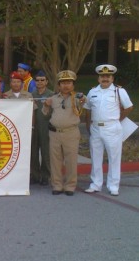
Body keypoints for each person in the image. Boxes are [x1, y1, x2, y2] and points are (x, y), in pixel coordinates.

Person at [83, 64, 134, 196]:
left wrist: (118, 118)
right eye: (102, 76)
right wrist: (88, 125)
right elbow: (87, 108)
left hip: (112, 127)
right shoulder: (92, 91)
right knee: (96, 157)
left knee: (114, 157)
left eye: (108, 76)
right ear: (98, 78)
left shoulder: (119, 91)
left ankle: (113, 186)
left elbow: (129, 107)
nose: (105, 78)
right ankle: (95, 184)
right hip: (95, 128)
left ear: (112, 78)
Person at [42, 70, 86, 196]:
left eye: (69, 82)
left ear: (73, 85)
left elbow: (84, 101)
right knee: (55, 160)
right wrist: (46, 104)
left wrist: (82, 98)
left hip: (70, 133)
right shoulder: (54, 98)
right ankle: (57, 185)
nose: (66, 85)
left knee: (71, 160)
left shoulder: (77, 97)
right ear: (59, 85)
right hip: (55, 134)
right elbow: (45, 113)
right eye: (63, 83)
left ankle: (70, 186)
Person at [30, 71, 54, 185]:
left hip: (46, 126)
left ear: (46, 81)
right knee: (33, 152)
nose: (40, 82)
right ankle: (35, 175)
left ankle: (45, 176)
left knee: (46, 153)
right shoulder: (31, 94)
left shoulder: (51, 94)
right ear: (35, 82)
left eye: (42, 80)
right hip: (34, 126)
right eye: (37, 80)